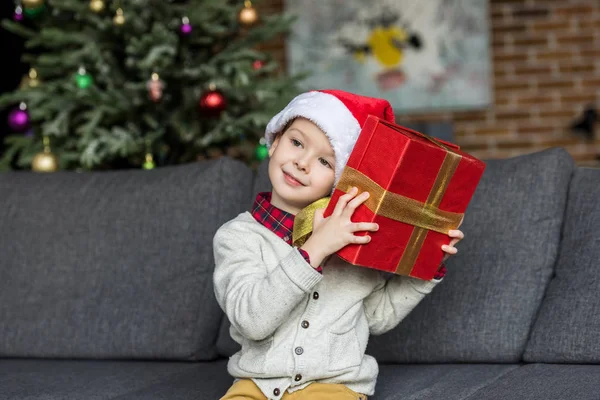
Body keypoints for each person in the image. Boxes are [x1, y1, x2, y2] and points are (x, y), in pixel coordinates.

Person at [213, 89, 464, 400]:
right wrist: (314, 249)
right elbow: (252, 321)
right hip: (256, 386)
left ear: (340, 179)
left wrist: (426, 265)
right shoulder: (237, 237)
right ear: (274, 141)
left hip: (333, 388)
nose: (302, 162)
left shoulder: (355, 239)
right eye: (296, 142)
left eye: (324, 161)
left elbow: (377, 317)